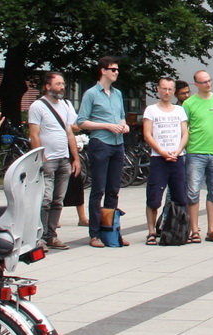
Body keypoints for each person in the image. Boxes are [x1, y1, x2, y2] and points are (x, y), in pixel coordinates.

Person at [26, 71, 79, 251]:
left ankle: (52, 235)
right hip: (47, 159)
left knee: (58, 200)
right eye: (58, 84)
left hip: (63, 158)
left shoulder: (65, 105)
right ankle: (39, 237)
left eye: (63, 84)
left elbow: (69, 132)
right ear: (48, 86)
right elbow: (34, 134)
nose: (62, 87)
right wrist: (39, 156)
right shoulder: (37, 106)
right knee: (45, 199)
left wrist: (75, 158)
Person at [78, 58, 128, 244]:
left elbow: (121, 117)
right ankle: (95, 234)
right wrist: (107, 126)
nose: (116, 72)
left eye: (117, 69)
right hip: (101, 143)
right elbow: (81, 121)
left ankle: (111, 232)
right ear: (103, 71)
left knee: (113, 190)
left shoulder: (117, 93)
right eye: (112, 69)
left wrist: (123, 125)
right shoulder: (91, 94)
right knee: (98, 189)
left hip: (117, 143)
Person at [139, 77, 188, 243]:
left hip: (177, 158)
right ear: (158, 89)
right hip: (158, 159)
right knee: (154, 198)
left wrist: (178, 150)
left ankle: (180, 229)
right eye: (164, 88)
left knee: (180, 197)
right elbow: (147, 134)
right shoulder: (151, 110)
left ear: (173, 91)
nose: (167, 92)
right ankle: (151, 232)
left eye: (170, 89)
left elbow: (185, 133)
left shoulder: (179, 111)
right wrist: (161, 151)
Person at [183, 70, 213, 243]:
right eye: (203, 82)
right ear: (196, 84)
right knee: (192, 192)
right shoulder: (189, 103)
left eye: (209, 80)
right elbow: (184, 127)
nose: (208, 84)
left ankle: (212, 229)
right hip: (195, 151)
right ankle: (194, 230)